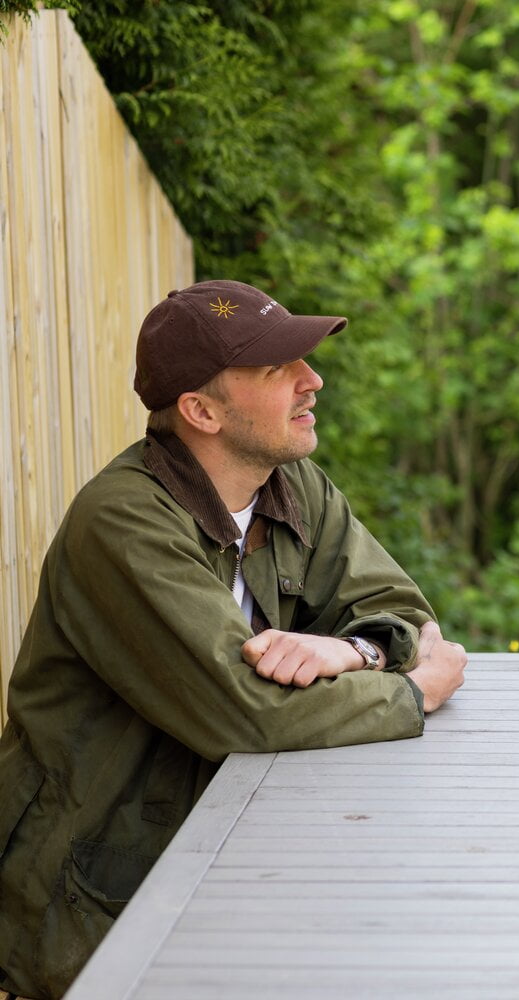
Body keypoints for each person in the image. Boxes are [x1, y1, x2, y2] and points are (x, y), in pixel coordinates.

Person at [0, 280, 469, 999]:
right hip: (94, 900)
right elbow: (246, 714)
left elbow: (401, 608)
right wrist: (411, 690)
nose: (313, 381)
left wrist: (354, 651)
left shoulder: (292, 484)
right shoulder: (123, 524)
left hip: (220, 855)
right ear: (201, 411)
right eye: (279, 370)